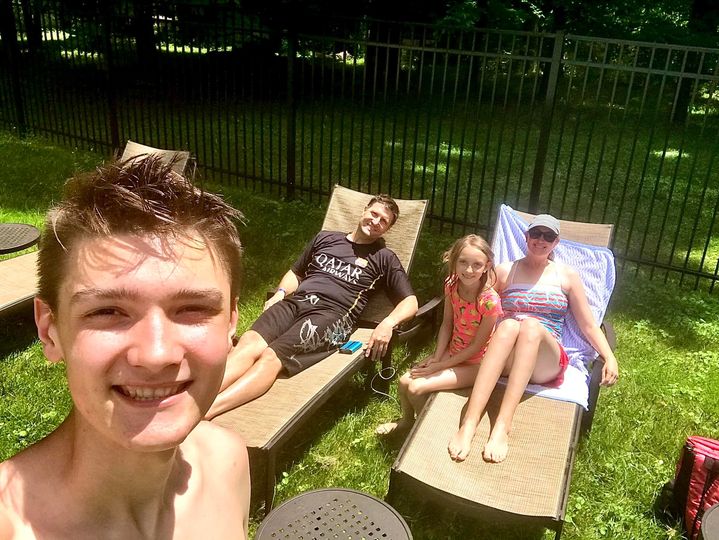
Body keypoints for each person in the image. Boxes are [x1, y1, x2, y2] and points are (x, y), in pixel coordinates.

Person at [0, 157, 251, 539]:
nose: (156, 355)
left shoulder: (228, 462)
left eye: (193, 309)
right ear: (50, 330)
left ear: (230, 322)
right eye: (107, 311)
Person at [206, 195, 419, 418]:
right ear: (364, 210)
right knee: (248, 344)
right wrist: (280, 293)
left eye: (383, 221)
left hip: (332, 316)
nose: (376, 221)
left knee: (271, 357)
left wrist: (388, 323)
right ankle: (198, 399)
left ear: (387, 229)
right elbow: (296, 273)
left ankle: (207, 412)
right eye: (374, 214)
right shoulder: (325, 238)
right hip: (295, 302)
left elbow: (410, 302)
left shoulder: (384, 258)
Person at [447, 214, 619, 463]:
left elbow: (588, 324)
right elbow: (477, 307)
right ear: (526, 237)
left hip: (546, 361)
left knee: (530, 326)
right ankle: (469, 424)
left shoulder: (567, 276)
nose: (541, 240)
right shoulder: (506, 272)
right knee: (508, 325)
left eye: (548, 236)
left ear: (556, 242)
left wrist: (609, 357)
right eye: (536, 234)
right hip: (508, 356)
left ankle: (503, 425)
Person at [375, 234, 502, 436]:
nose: (469, 270)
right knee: (404, 382)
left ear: (487, 266)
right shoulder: (452, 285)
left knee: (415, 388)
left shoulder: (489, 302)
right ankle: (407, 422)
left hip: (477, 364)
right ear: (454, 262)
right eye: (463, 262)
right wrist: (437, 356)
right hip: (453, 351)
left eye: (477, 264)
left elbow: (476, 347)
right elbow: (447, 324)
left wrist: (441, 365)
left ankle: (425, 433)